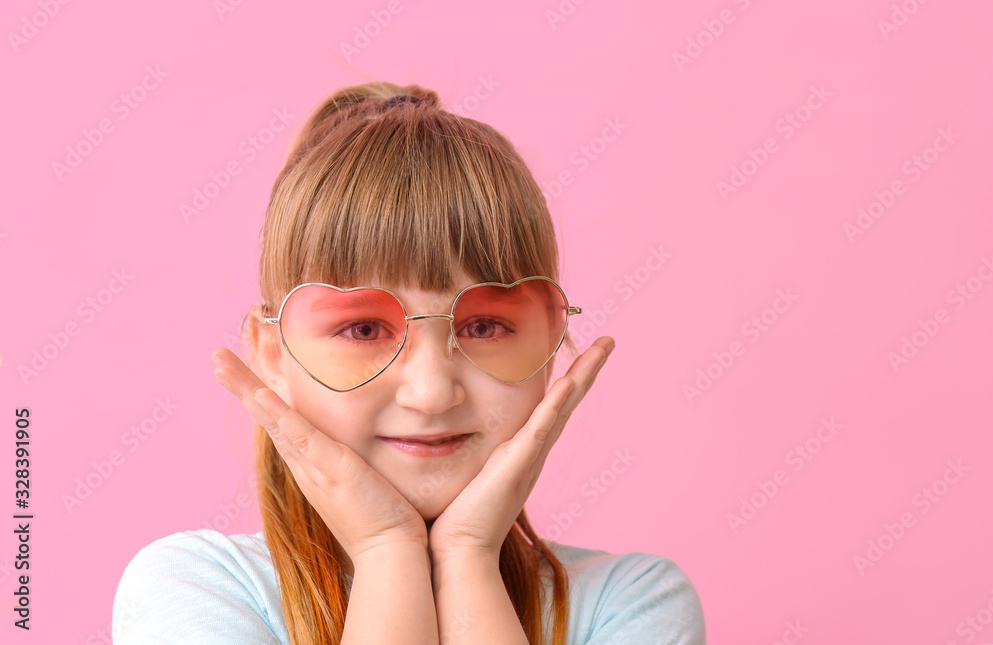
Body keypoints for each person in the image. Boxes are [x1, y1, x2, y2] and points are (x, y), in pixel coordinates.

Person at [112, 81, 706, 645]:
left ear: (554, 343)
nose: (430, 393)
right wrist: (385, 550)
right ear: (273, 353)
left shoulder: (630, 603)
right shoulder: (194, 590)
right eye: (363, 328)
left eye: (484, 325)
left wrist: (469, 556)